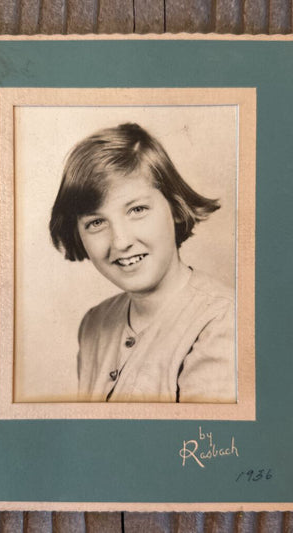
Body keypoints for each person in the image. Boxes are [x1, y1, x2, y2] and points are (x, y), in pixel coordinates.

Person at [49, 123, 236, 403]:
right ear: (78, 234)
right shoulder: (94, 325)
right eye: (97, 222)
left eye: (137, 210)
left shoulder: (221, 322)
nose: (120, 241)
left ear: (175, 206)